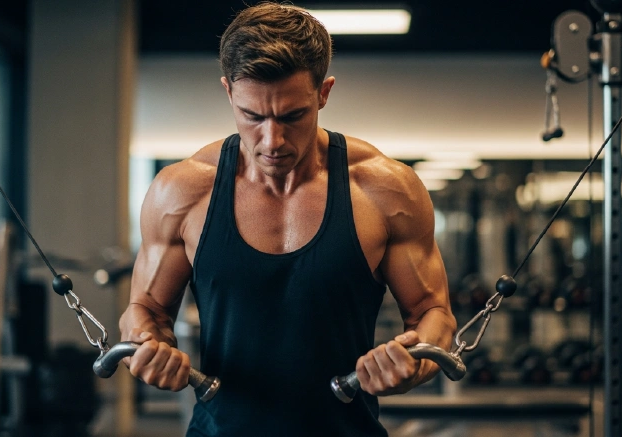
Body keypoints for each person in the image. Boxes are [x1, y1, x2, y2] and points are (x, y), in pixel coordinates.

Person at [119, 2, 456, 435]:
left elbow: (434, 315)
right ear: (228, 92)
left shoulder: (385, 189)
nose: (271, 140)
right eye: (252, 116)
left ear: (324, 92)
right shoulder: (182, 191)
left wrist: (414, 362)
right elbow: (145, 309)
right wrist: (148, 348)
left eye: (292, 116)